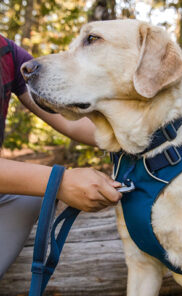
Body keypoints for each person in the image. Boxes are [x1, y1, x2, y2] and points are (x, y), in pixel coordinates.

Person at [0, 34, 122, 278]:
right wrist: (60, 181)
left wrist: (140, 134)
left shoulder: (7, 52)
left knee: (32, 196)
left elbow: (71, 124)